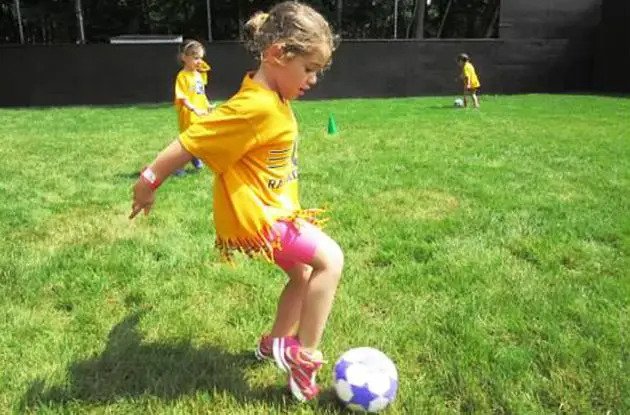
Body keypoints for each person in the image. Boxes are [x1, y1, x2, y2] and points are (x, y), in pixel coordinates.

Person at [129, 1, 342, 402]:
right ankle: (304, 355)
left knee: (300, 274)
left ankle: (273, 343)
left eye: (317, 71)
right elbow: (189, 142)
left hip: (274, 213)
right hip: (259, 219)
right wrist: (148, 181)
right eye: (309, 69)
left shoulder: (271, 97)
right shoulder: (254, 106)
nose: (313, 80)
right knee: (330, 261)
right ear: (278, 54)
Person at [174, 39, 212, 174]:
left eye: (201, 58)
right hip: (189, 114)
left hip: (201, 113)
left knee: (201, 137)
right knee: (189, 140)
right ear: (185, 58)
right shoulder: (182, 76)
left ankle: (195, 158)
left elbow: (201, 93)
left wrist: (207, 105)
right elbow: (182, 96)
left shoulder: (199, 74)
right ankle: (178, 166)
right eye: (195, 58)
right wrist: (193, 108)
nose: (199, 62)